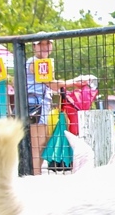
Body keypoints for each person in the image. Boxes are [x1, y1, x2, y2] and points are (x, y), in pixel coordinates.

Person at [24, 38, 87, 174]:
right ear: (34, 47)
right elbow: (50, 83)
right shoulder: (35, 62)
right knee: (37, 145)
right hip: (35, 107)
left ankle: (34, 175)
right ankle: (34, 179)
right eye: (40, 44)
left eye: (48, 43)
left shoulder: (44, 63)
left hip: (41, 106)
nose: (45, 47)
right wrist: (73, 82)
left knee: (41, 144)